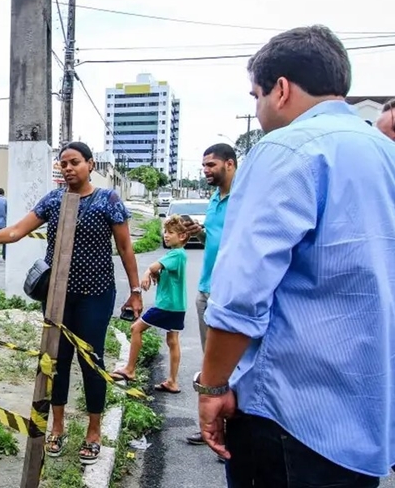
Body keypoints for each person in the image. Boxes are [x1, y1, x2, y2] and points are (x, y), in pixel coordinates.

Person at [197, 25, 395, 487]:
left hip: (289, 415)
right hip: (366, 417)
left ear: (280, 89)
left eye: (256, 95)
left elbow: (242, 293)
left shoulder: (285, 150)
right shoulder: (385, 154)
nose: (259, 109)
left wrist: (212, 385)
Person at [0, 141, 142, 466]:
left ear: (90, 165)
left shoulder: (108, 200)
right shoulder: (53, 200)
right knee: (56, 361)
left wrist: (136, 290)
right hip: (56, 296)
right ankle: (57, 426)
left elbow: (125, 248)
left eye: (74, 162)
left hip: (96, 294)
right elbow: (18, 231)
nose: (68, 168)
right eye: (63, 163)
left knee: (92, 362)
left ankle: (93, 430)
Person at [180, 143, 237, 447]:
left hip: (229, 293)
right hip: (206, 289)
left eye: (211, 165)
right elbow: (215, 236)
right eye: (203, 166)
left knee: (233, 366)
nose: (206, 171)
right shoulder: (216, 197)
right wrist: (198, 231)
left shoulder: (244, 197)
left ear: (230, 164)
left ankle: (232, 434)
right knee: (210, 364)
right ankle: (212, 427)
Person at [110, 215, 188, 394]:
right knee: (172, 341)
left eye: (170, 233)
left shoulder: (176, 254)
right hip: (178, 305)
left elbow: (153, 266)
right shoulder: (180, 255)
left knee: (136, 328)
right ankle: (173, 381)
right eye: (165, 232)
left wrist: (147, 273)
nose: (165, 235)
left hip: (166, 305)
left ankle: (130, 369)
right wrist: (157, 274)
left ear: (182, 236)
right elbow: (166, 273)